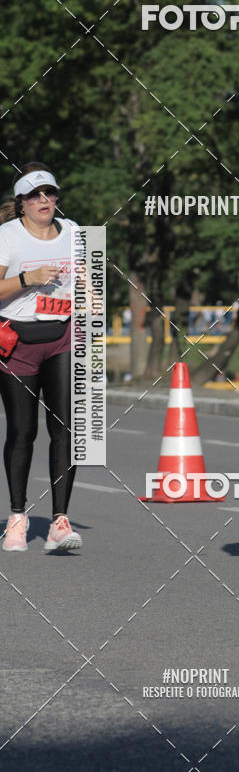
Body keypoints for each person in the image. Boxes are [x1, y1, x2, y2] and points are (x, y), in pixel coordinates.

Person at [0, 162, 81, 552]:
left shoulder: (76, 233)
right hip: (18, 342)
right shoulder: (8, 236)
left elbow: (86, 279)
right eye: (35, 195)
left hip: (62, 336)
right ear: (21, 204)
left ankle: (60, 522)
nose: (44, 200)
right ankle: (17, 518)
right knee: (22, 432)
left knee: (65, 429)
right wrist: (26, 280)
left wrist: (92, 295)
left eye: (49, 193)